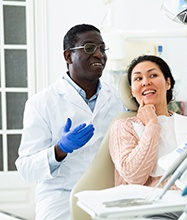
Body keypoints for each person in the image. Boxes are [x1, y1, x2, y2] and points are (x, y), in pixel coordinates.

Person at [15, 24, 125, 220]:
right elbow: (26, 169)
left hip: (108, 195)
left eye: (102, 48)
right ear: (68, 56)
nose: (99, 55)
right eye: (90, 48)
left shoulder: (116, 98)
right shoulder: (41, 103)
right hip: (61, 198)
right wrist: (60, 149)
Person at [108, 55, 187, 219]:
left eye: (153, 75)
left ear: (168, 83)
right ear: (132, 90)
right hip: (149, 208)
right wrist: (152, 125)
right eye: (138, 78)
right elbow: (134, 176)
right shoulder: (124, 127)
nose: (145, 82)